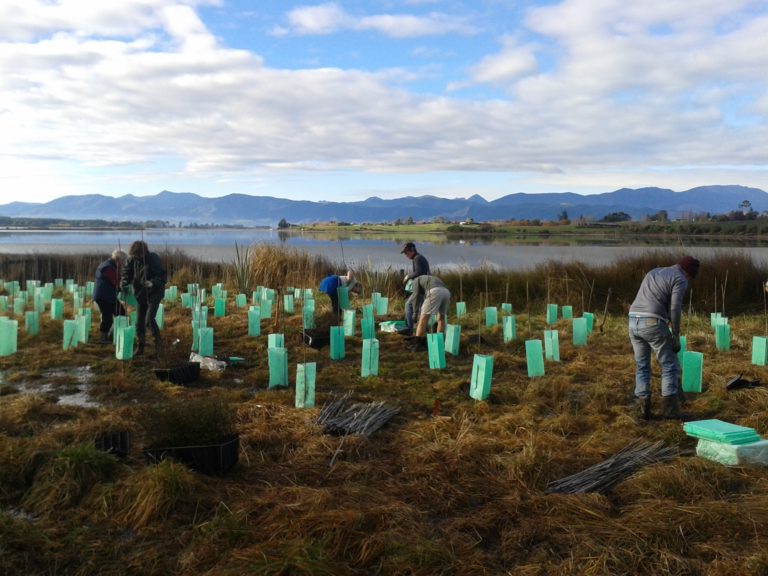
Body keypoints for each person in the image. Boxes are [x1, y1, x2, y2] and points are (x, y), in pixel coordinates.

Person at [628, 255, 699, 420]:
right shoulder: (680, 279)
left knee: (642, 365)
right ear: (688, 273)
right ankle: (670, 411)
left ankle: (642, 409)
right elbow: (675, 307)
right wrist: (675, 333)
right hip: (652, 322)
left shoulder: (654, 272)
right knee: (668, 364)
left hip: (632, 320)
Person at [121, 240, 167, 356]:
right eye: (135, 255)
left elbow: (162, 276)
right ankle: (140, 347)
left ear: (144, 252)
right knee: (139, 323)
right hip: (140, 294)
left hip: (154, 293)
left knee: (149, 320)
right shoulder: (131, 260)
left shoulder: (153, 259)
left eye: (139, 254)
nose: (137, 257)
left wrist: (152, 282)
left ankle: (158, 346)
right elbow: (126, 273)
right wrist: (124, 281)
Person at [406, 274, 450, 352]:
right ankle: (439, 342)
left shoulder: (416, 281)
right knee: (441, 318)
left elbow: (415, 296)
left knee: (423, 318)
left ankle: (417, 345)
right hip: (446, 292)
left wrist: (415, 313)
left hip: (434, 291)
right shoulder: (429, 278)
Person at [93, 249, 127, 344]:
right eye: (123, 261)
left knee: (121, 313)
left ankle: (111, 335)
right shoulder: (108, 267)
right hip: (104, 296)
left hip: (109, 296)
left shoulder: (110, 265)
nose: (123, 263)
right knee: (107, 317)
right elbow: (116, 282)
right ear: (118, 259)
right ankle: (103, 338)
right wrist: (123, 286)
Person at [400, 242, 430, 335]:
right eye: (404, 253)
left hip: (422, 287)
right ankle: (418, 327)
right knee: (418, 307)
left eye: (407, 252)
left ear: (412, 250)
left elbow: (418, 272)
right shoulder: (419, 258)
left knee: (408, 305)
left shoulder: (417, 258)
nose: (405, 255)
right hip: (424, 286)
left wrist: (408, 276)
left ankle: (409, 329)